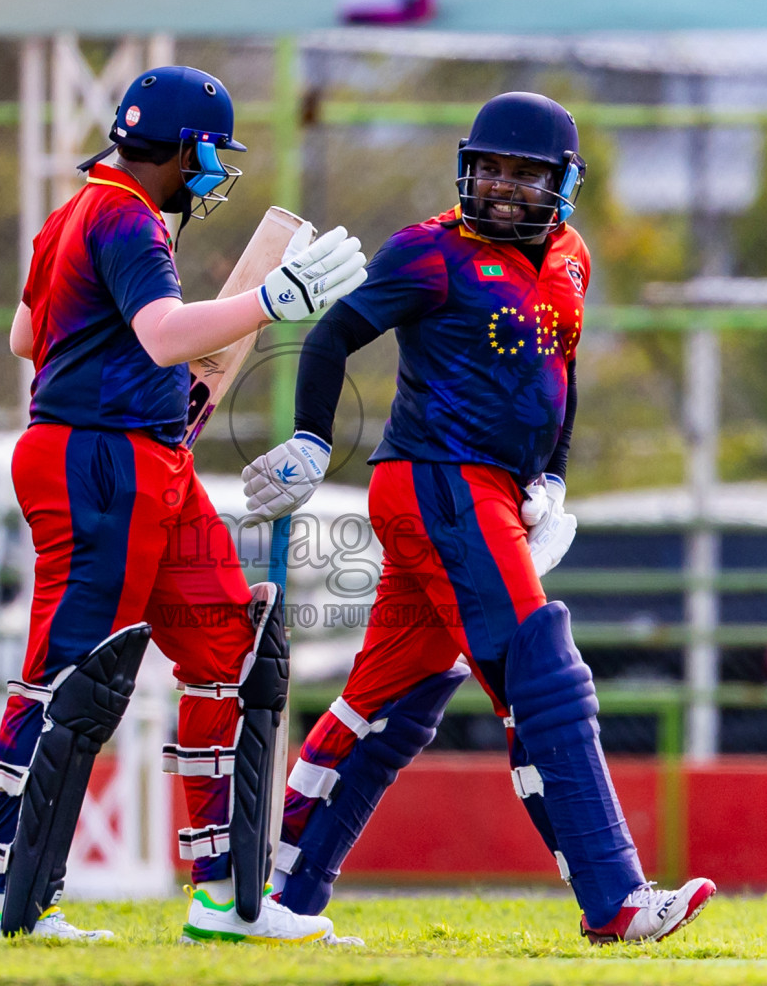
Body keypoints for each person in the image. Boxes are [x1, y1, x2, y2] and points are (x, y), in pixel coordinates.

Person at [242, 92, 716, 943]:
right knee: (543, 673)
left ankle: (280, 899)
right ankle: (615, 897)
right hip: (441, 479)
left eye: (522, 172)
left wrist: (553, 480)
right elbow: (330, 337)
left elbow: (560, 373)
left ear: (562, 182)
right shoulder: (431, 251)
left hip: (486, 489)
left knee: (388, 708)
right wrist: (313, 440)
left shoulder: (571, 257)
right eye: (488, 168)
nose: (499, 185)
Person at [0, 65, 368, 944]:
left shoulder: (74, 213)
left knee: (229, 649)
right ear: (181, 149)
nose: (215, 171)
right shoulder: (125, 217)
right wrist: (272, 300)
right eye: (210, 153)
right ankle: (4, 902)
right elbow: (158, 336)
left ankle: (223, 899)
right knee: (69, 674)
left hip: (147, 459)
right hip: (99, 461)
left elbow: (27, 336)